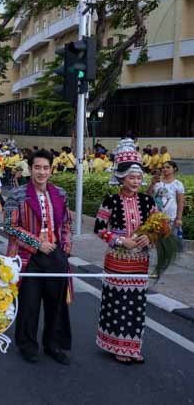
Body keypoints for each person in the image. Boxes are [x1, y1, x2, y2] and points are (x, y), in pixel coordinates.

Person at [4, 149, 72, 365]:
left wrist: (65, 249)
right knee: (30, 304)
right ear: (30, 169)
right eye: (37, 167)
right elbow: (8, 226)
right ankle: (27, 345)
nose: (41, 172)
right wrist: (36, 243)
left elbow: (66, 223)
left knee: (56, 304)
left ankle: (53, 344)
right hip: (28, 256)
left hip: (55, 256)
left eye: (45, 168)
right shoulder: (18, 194)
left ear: (51, 169)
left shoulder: (61, 194)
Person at [93, 139, 158, 364]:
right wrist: (120, 241)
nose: (136, 182)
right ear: (121, 178)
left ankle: (132, 348)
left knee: (136, 305)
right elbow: (99, 228)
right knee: (117, 303)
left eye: (139, 178)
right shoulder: (110, 200)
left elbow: (159, 228)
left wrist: (149, 237)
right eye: (131, 177)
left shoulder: (148, 202)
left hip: (140, 262)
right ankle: (115, 345)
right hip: (117, 261)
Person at [152, 160, 185, 239]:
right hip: (155, 218)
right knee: (155, 240)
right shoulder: (157, 181)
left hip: (171, 218)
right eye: (163, 168)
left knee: (170, 241)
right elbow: (149, 195)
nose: (164, 169)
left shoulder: (178, 184)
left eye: (168, 167)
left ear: (174, 169)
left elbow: (180, 202)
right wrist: (152, 184)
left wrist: (179, 218)